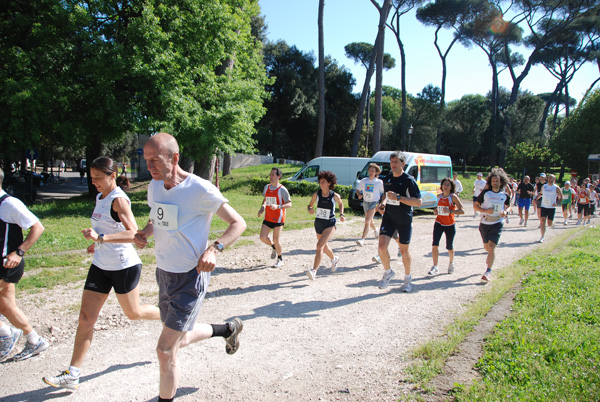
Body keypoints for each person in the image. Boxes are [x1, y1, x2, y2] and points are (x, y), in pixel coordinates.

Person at [133, 133, 246, 402]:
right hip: (164, 275)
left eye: (155, 160)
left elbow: (238, 223)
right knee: (178, 341)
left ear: (174, 158)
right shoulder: (155, 186)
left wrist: (214, 249)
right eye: (146, 160)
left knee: (164, 349)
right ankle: (227, 329)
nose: (149, 166)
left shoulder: (200, 189)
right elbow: (158, 217)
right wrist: (146, 232)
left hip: (190, 277)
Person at [42, 157, 161, 390]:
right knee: (86, 318)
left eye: (98, 177)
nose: (93, 181)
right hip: (100, 264)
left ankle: (168, 315)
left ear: (112, 176)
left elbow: (133, 234)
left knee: (134, 313)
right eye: (92, 177)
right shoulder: (100, 197)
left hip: (123, 265)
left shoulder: (119, 201)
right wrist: (97, 243)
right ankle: (72, 374)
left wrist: (102, 239)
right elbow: (106, 228)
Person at [0, 168, 47, 362]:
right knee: (6, 306)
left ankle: (6, 334)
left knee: (5, 306)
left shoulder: (9, 204)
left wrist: (19, 252)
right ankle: (33, 339)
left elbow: (37, 227)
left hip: (7, 263)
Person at [376, 151, 422, 291]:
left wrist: (399, 198)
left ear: (403, 163)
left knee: (404, 250)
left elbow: (418, 202)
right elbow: (386, 195)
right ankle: (388, 272)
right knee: (382, 247)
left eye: (396, 162)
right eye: (391, 162)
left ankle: (408, 279)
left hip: (404, 220)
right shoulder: (388, 178)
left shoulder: (409, 180)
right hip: (389, 217)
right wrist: (382, 203)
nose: (393, 165)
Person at [474, 168, 511, 282]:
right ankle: (489, 259)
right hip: (485, 223)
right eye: (493, 180)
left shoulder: (504, 195)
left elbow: (509, 206)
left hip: (497, 223)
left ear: (501, 182)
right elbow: (476, 206)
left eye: (497, 181)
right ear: (490, 182)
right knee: (486, 247)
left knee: (491, 247)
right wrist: (484, 211)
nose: (495, 182)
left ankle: (488, 271)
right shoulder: (485, 193)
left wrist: (506, 212)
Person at [305, 171, 345, 280]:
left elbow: (341, 203)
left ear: (329, 183)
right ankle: (334, 258)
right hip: (318, 223)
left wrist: (341, 214)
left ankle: (314, 271)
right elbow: (310, 206)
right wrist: (310, 210)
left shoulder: (334, 195)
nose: (321, 183)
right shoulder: (316, 194)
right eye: (320, 181)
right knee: (324, 246)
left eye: (323, 181)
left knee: (319, 246)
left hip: (330, 224)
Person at [428, 178, 464, 275]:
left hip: (449, 224)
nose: (446, 186)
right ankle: (435, 266)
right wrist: (435, 211)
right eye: (444, 184)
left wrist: (451, 211)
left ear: (451, 187)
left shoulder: (453, 197)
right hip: (439, 223)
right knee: (435, 244)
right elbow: (437, 210)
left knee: (449, 246)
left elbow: (462, 210)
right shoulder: (439, 196)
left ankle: (451, 263)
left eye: (448, 185)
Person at [258, 167, 292, 268]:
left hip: (278, 219)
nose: (271, 176)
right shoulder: (266, 187)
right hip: (268, 217)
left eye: (273, 175)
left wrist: (278, 206)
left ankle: (280, 259)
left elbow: (289, 204)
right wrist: (262, 207)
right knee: (262, 237)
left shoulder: (282, 189)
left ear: (278, 177)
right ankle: (274, 247)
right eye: (270, 174)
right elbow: (265, 199)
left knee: (276, 240)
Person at [355, 163, 384, 246]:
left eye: (372, 171)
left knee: (367, 221)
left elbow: (383, 192)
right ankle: (376, 230)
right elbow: (358, 190)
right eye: (370, 171)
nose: (371, 172)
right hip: (365, 202)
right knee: (370, 220)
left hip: (374, 202)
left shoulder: (379, 182)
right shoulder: (364, 180)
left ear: (376, 172)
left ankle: (362, 239)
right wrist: (359, 194)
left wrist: (381, 203)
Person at [536, 173, 562, 243]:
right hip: (544, 206)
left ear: (554, 179)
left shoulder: (556, 187)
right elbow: (541, 194)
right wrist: (535, 198)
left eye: (551, 178)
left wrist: (557, 203)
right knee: (542, 221)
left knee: (549, 223)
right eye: (549, 177)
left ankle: (552, 224)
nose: (550, 179)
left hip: (551, 207)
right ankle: (542, 237)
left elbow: (560, 196)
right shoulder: (544, 186)